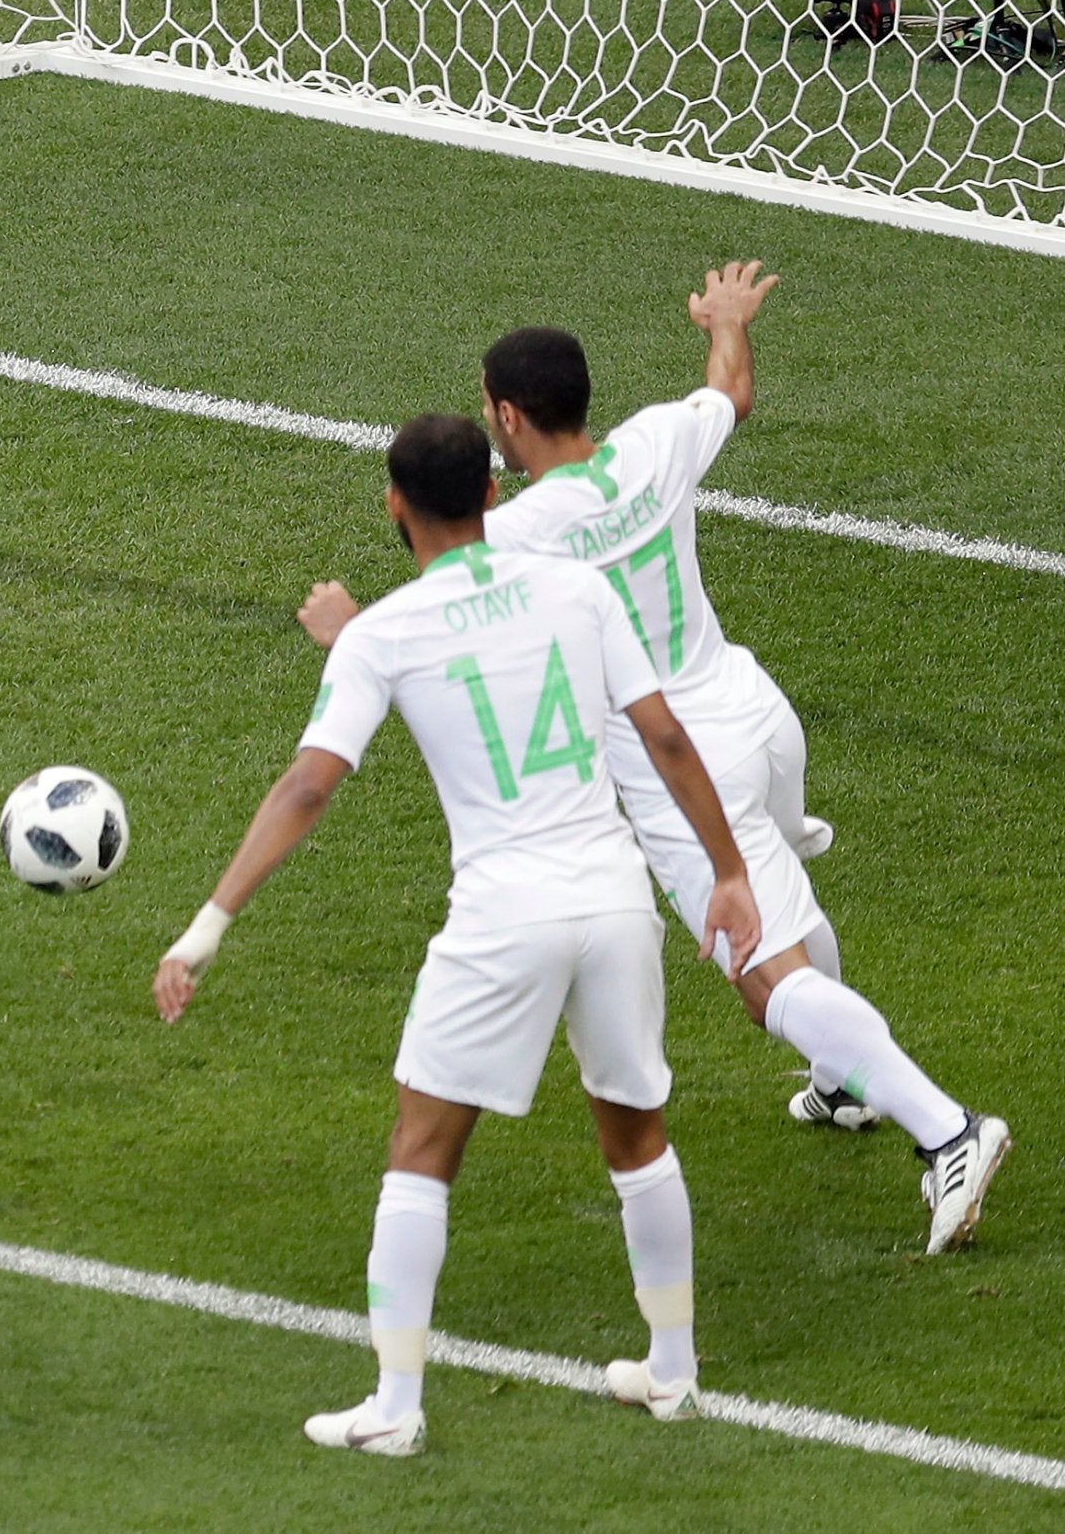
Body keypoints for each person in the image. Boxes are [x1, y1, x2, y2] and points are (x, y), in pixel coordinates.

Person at [309, 263, 1005, 1253]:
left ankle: (948, 1128)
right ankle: (842, 1085)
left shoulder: (515, 533)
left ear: (506, 417)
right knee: (781, 895)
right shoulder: (651, 441)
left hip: (685, 765)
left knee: (765, 972)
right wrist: (726, 321)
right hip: (757, 712)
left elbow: (439, 613)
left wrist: (346, 626)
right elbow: (731, 390)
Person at [156, 414, 761, 1455]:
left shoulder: (383, 632)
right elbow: (662, 733)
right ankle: (673, 1369)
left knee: (422, 1145)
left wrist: (207, 925)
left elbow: (309, 783)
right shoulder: (578, 588)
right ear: (491, 492)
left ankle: (394, 1402)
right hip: (614, 896)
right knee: (636, 1137)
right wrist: (731, 870)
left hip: (502, 915)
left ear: (394, 505)